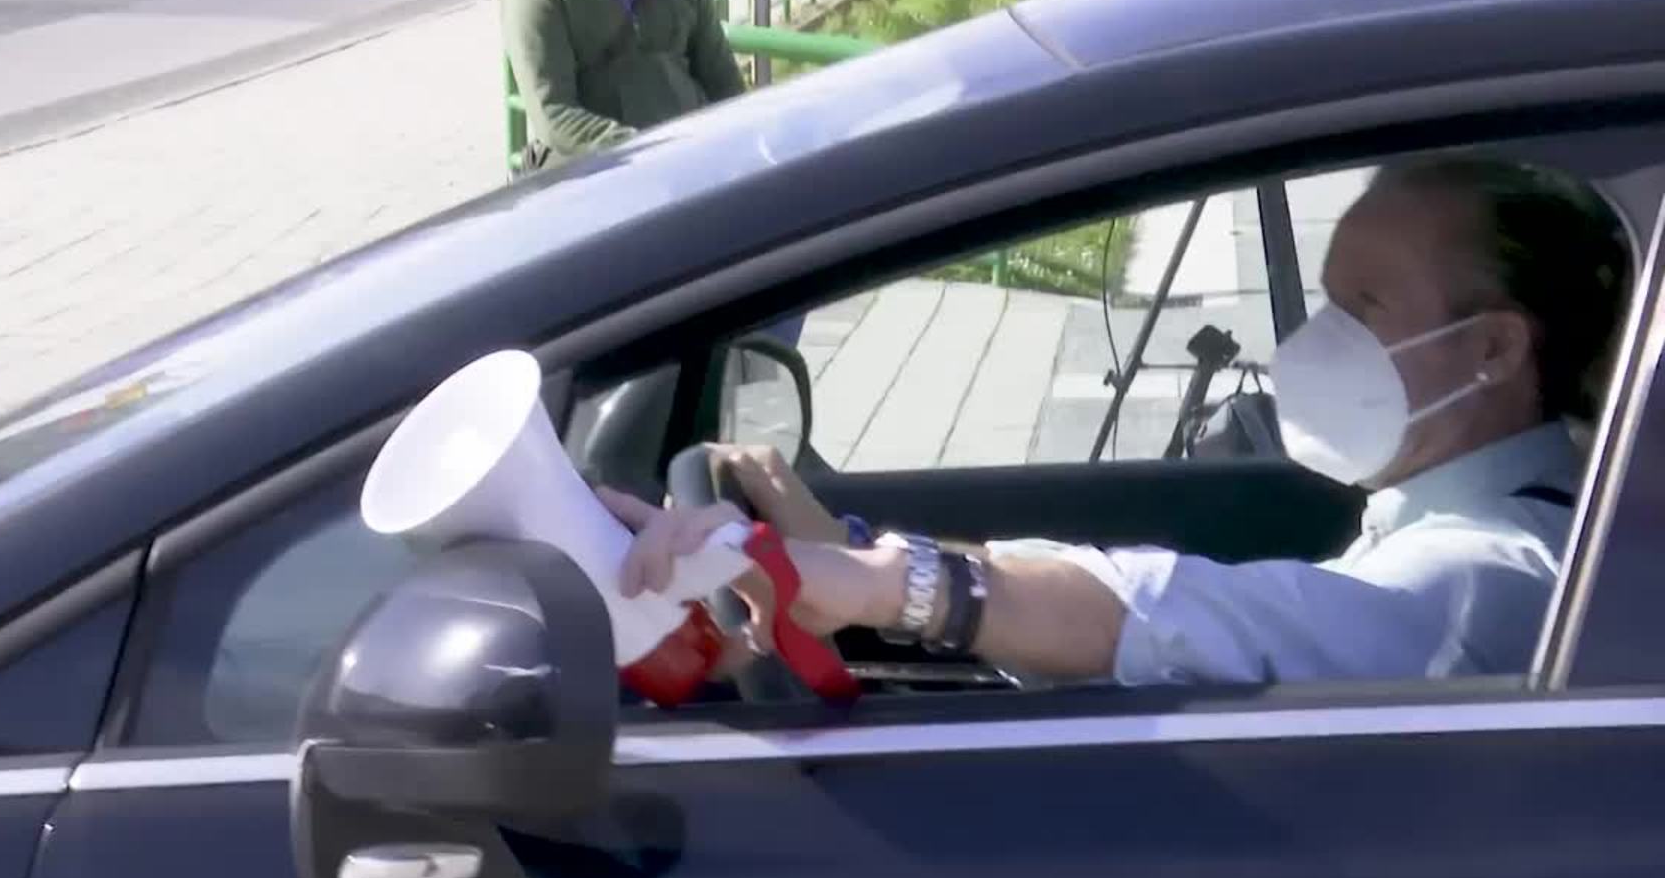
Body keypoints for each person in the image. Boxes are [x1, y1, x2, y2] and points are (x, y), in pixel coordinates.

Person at [600, 157, 1632, 684]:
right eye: (1324, 298)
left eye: (1364, 307)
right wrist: (840, 551)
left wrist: (886, 584)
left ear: (1494, 349)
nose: (1317, 340)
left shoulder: (1497, 578)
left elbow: (1195, 618)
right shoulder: (1441, 524)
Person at [501, 0, 746, 171]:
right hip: (598, 180)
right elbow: (555, 116)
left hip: (694, 164)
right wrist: (649, 153)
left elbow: (725, 82)